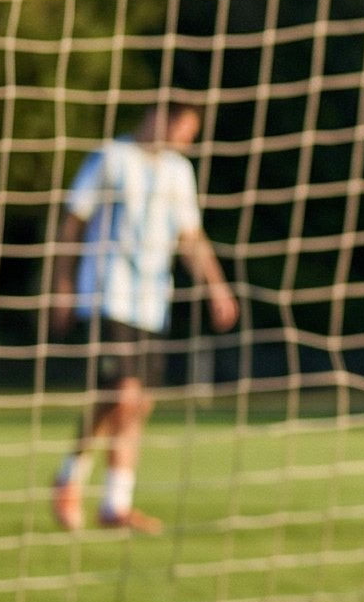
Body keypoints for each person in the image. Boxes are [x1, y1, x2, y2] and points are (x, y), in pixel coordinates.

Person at [47, 98, 237, 533]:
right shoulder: (111, 158)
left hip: (152, 302)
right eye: (183, 129)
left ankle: (82, 485)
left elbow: (190, 236)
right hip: (107, 294)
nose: (187, 140)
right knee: (125, 396)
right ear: (158, 118)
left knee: (131, 404)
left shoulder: (178, 172)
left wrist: (217, 287)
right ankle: (106, 500)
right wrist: (62, 284)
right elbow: (73, 222)